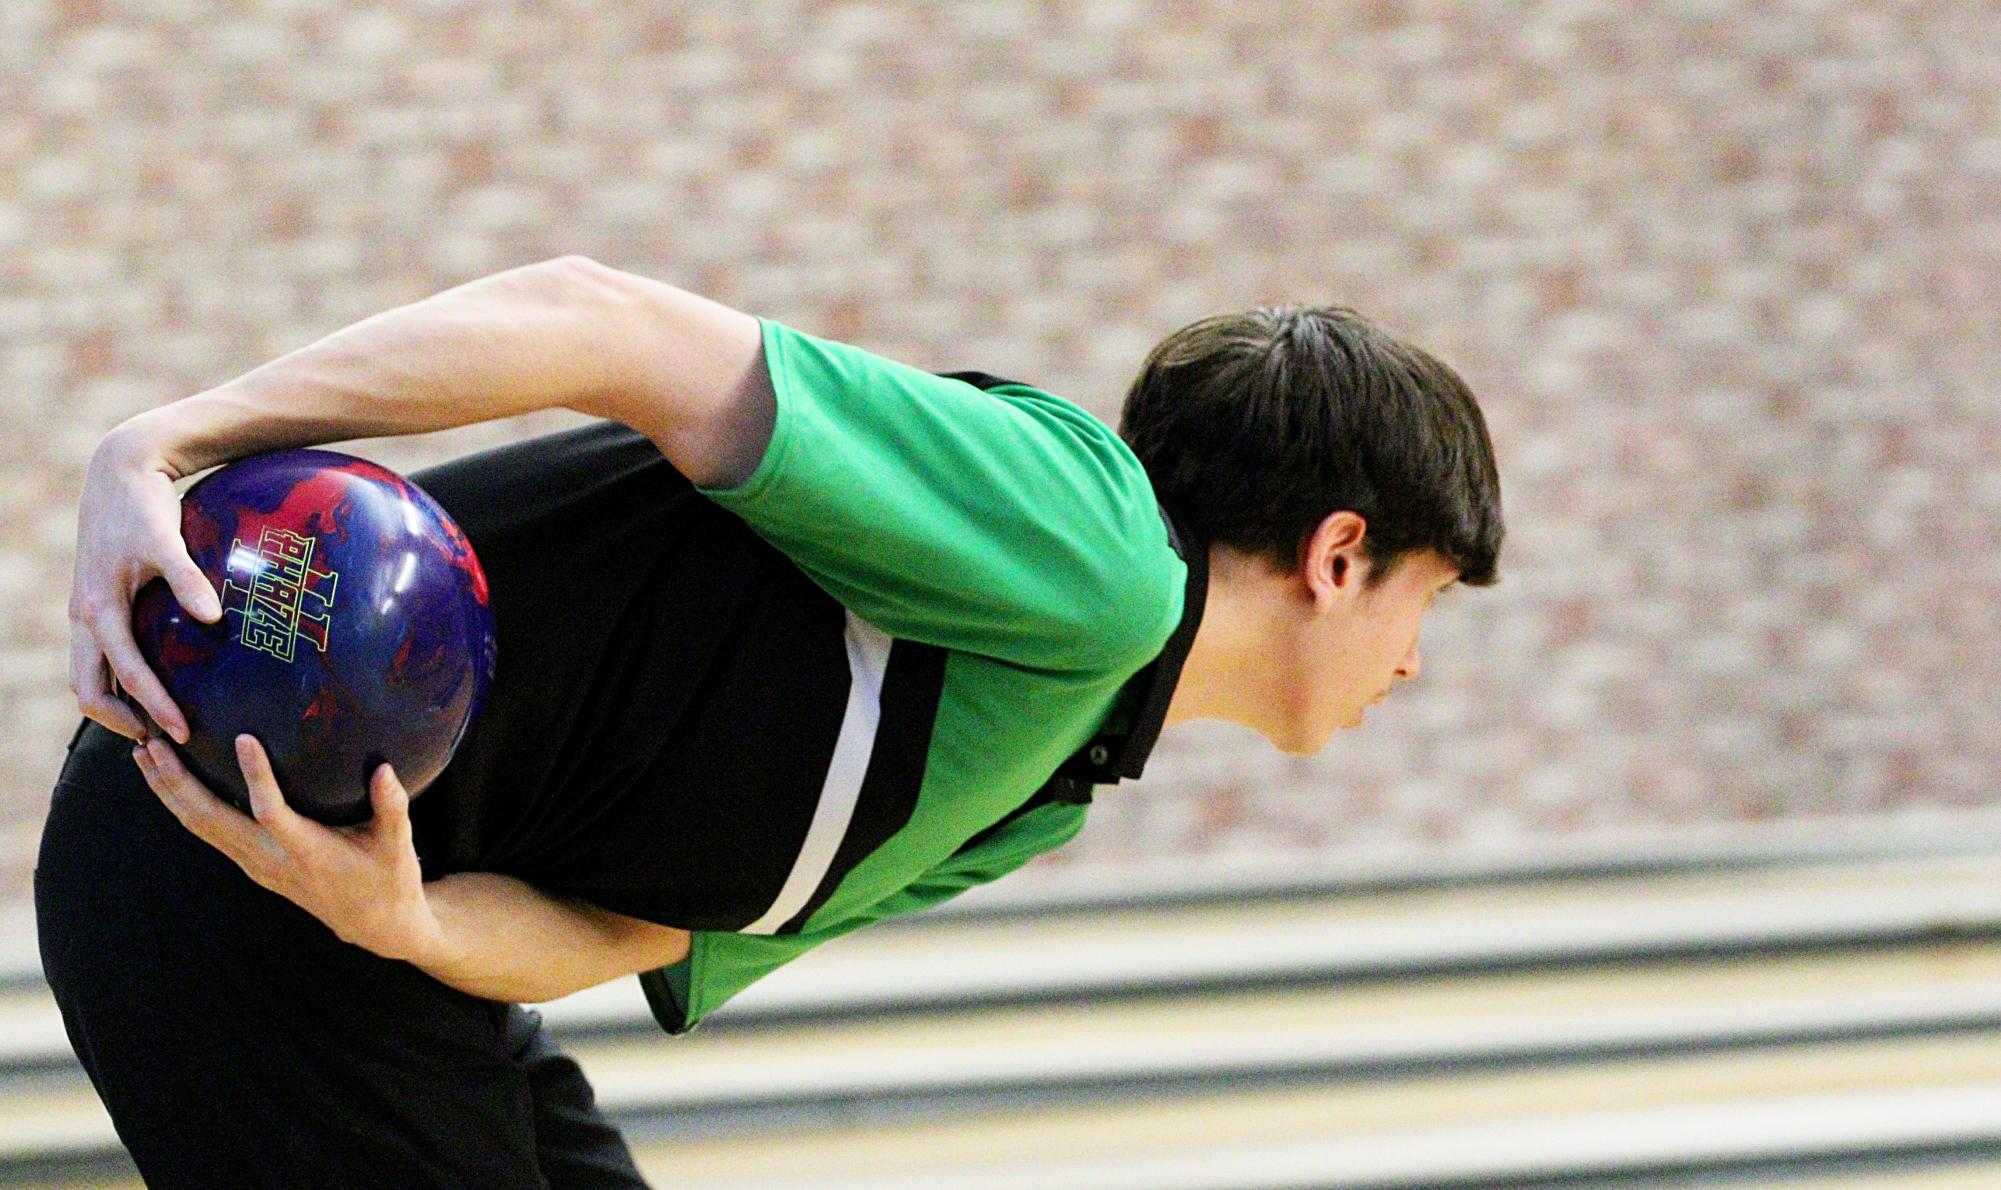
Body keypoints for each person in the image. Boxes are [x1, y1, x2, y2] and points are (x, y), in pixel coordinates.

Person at [37, 256, 1503, 1187]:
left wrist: (409, 923)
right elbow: (596, 319)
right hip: (201, 893)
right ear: (1334, 555)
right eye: (1424, 599)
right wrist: (171, 437)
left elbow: (621, 932)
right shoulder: (1096, 556)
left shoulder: (1056, 774)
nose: (1414, 663)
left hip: (365, 952)